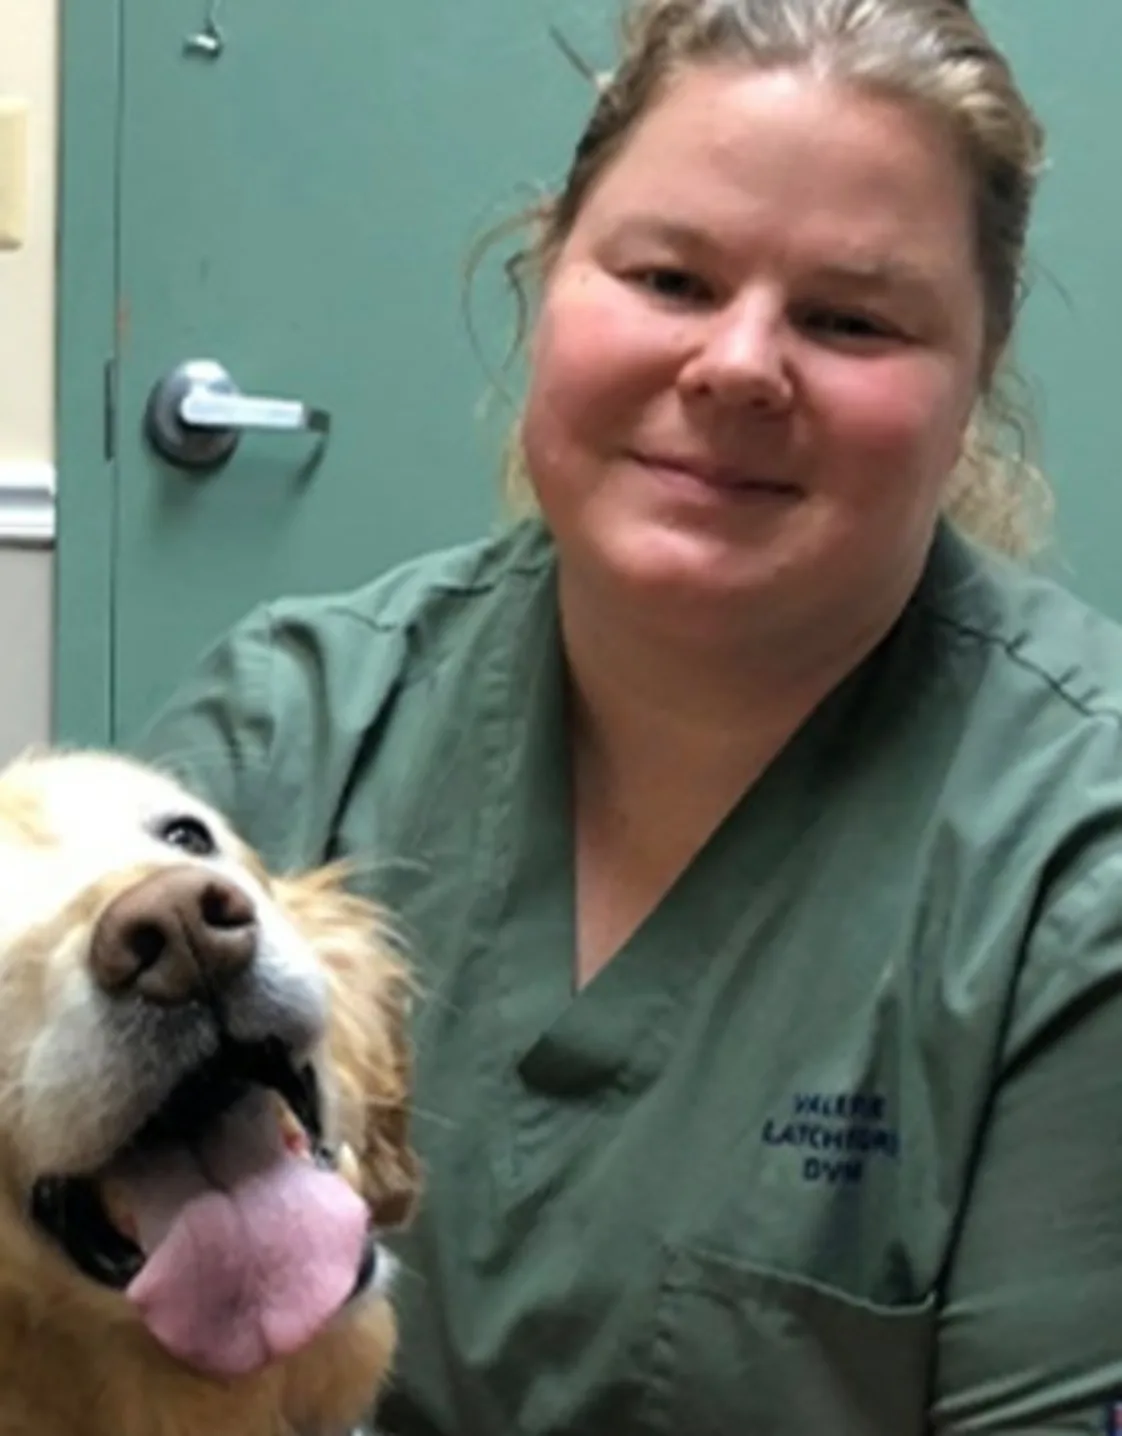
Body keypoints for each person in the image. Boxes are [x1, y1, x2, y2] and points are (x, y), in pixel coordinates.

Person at [134, 0, 1122, 1430]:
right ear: (548, 274)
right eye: (668, 278)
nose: (735, 365)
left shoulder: (1065, 875)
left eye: (849, 319)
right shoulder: (289, 737)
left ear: (974, 374)